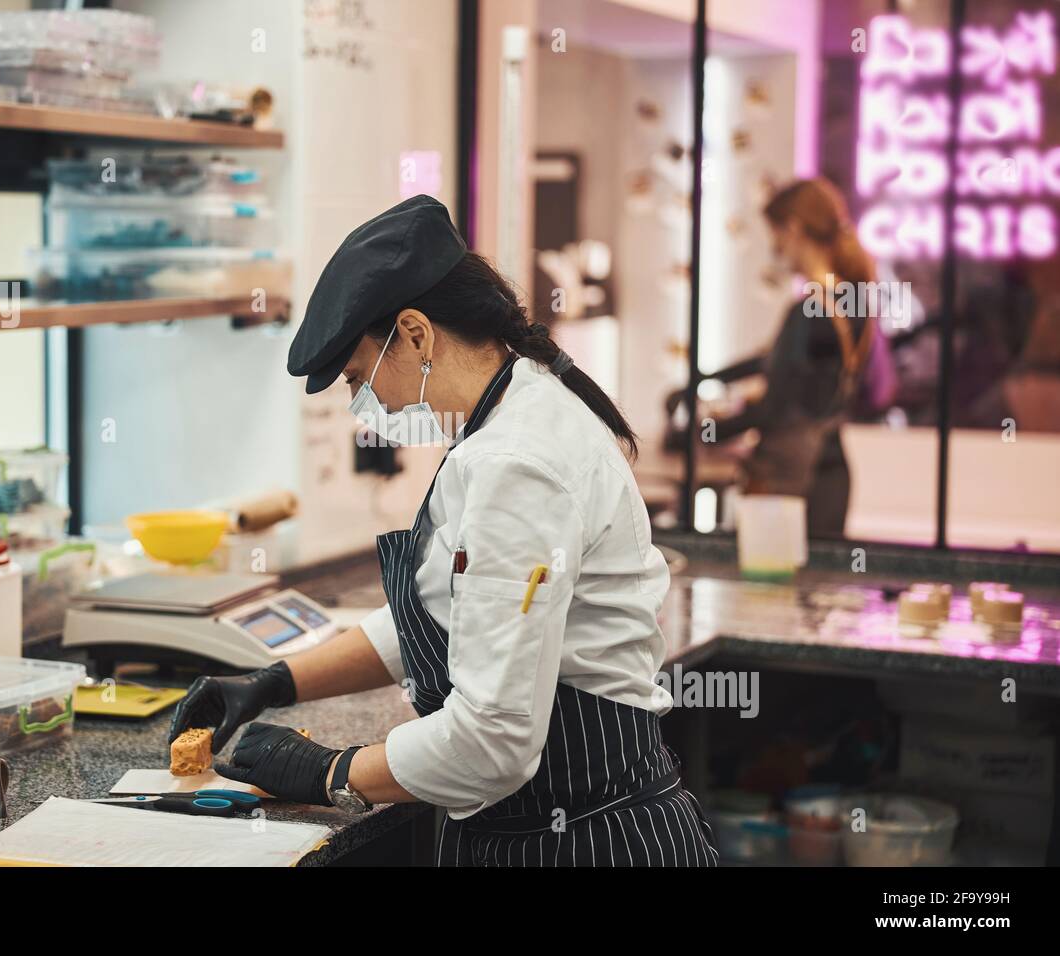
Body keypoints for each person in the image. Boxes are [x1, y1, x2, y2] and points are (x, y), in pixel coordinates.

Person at [168, 195, 717, 867]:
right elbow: (445, 611)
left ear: (416, 333)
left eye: (357, 378)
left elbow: (491, 742)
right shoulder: (512, 414)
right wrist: (276, 681)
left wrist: (330, 771)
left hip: (580, 842)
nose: (365, 405)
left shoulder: (516, 466)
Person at [710, 178, 881, 537]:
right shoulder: (854, 303)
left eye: (775, 233)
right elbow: (781, 367)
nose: (774, 247)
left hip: (788, 486)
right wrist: (707, 377)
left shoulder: (806, 312)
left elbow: (775, 407)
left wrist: (706, 436)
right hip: (831, 477)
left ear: (793, 230)